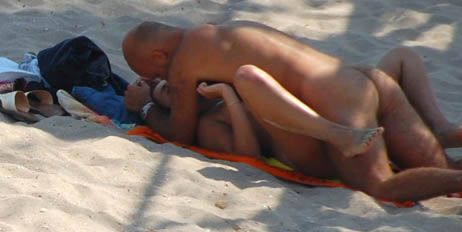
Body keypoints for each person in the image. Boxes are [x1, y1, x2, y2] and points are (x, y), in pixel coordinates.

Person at [122, 21, 462, 211]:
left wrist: (143, 106)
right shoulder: (220, 32)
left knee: (382, 186)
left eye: (151, 73)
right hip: (359, 77)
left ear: (160, 58)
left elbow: (180, 130)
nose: (161, 81)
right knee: (443, 166)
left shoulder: (185, 63)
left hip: (337, 106)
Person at [127, 75, 383, 161]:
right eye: (168, 91)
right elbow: (249, 157)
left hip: (328, 113)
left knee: (397, 63)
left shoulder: (215, 84)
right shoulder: (208, 124)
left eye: (175, 79)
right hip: (306, 143)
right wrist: (228, 95)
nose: (179, 86)